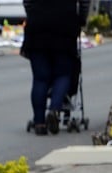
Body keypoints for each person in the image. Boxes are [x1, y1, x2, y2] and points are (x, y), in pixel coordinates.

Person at [21, 0, 88, 134]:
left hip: (37, 25)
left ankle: (39, 122)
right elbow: (84, 3)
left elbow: (27, 2)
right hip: (64, 25)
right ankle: (54, 109)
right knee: (63, 74)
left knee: (40, 78)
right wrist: (81, 19)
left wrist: (33, 13)